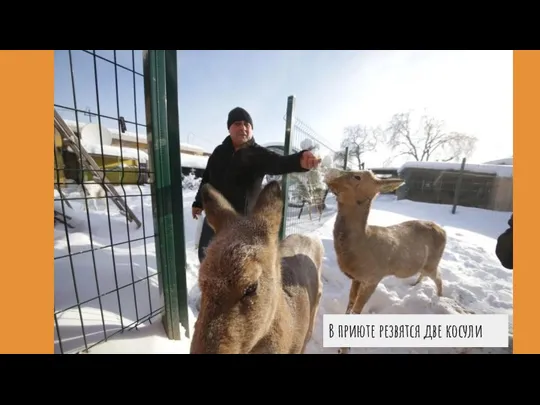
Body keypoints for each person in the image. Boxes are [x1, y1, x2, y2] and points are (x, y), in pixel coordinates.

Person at [192, 106, 321, 263]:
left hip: (243, 223)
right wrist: (198, 202)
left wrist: (299, 161)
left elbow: (279, 163)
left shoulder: (257, 154)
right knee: (206, 259)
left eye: (247, 124)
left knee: (238, 267)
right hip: (215, 219)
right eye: (238, 123)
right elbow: (207, 179)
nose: (243, 128)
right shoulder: (218, 152)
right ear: (229, 128)